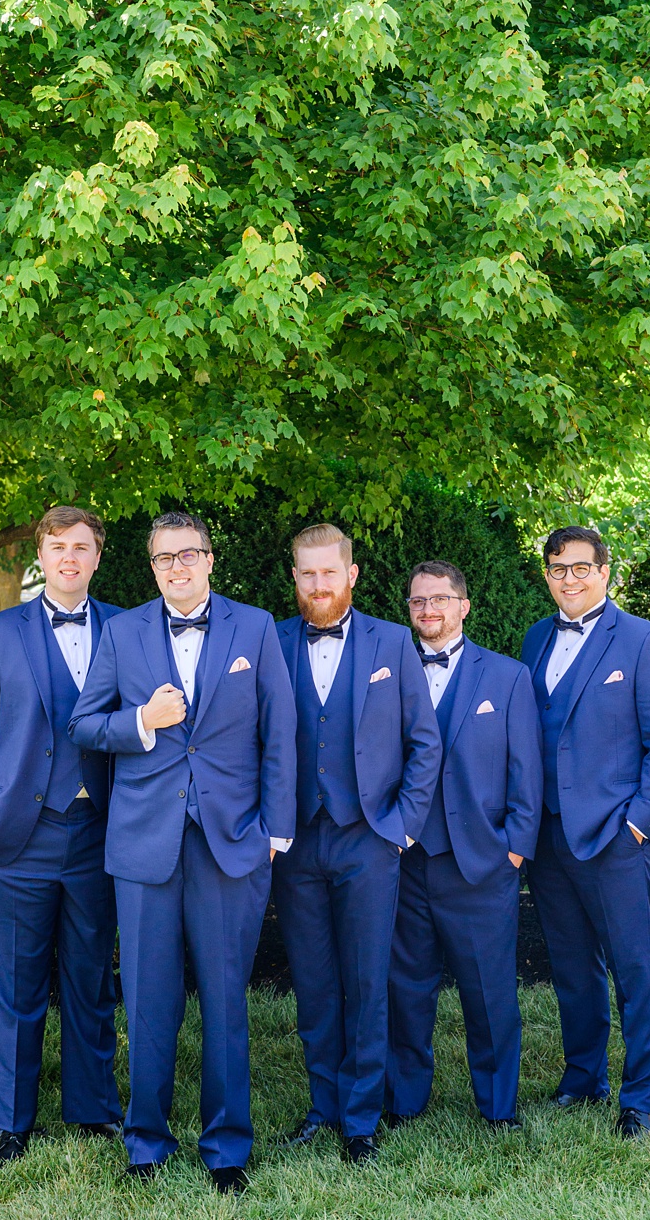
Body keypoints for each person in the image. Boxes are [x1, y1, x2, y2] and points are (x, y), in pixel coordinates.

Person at [70, 511, 294, 1194]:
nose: (176, 567)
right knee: (147, 998)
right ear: (151, 567)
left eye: (188, 554)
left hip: (232, 843)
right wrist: (142, 721)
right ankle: (146, 1140)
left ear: (209, 560)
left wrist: (274, 831)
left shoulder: (253, 627)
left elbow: (279, 730)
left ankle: (227, 1146)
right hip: (143, 844)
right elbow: (84, 724)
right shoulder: (122, 630)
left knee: (227, 998)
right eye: (164, 558)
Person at [0, 504, 123, 1163]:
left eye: (82, 547)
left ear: (98, 557)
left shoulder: (127, 630)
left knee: (90, 980)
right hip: (16, 836)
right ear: (41, 559)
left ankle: (91, 1109)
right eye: (58, 547)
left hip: (99, 835)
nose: (70, 558)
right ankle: (11, 1121)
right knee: (15, 985)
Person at [271, 524, 441, 1161]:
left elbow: (425, 743)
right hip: (293, 842)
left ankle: (362, 1117)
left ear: (352, 574)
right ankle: (324, 1104)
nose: (319, 585)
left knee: (368, 980)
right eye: (307, 574)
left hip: (370, 839)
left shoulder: (394, 643)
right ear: (296, 578)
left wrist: (400, 826)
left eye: (329, 572)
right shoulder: (273, 640)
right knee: (314, 982)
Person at [519, 525, 650, 1138]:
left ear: (606, 572)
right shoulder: (536, 638)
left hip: (618, 836)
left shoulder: (645, 642)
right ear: (547, 575)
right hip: (548, 837)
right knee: (571, 965)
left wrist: (640, 825)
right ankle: (583, 1076)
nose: (570, 578)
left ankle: (641, 1095)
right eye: (558, 568)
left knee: (633, 967)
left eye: (581, 567)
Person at [386, 559, 541, 1129]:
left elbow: (528, 768)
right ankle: (405, 1098)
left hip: (481, 860)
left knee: (489, 992)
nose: (429, 609)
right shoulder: (391, 670)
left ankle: (498, 1105)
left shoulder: (506, 677)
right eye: (418, 601)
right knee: (405, 986)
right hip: (405, 858)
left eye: (440, 599)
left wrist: (515, 848)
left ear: (464, 605)